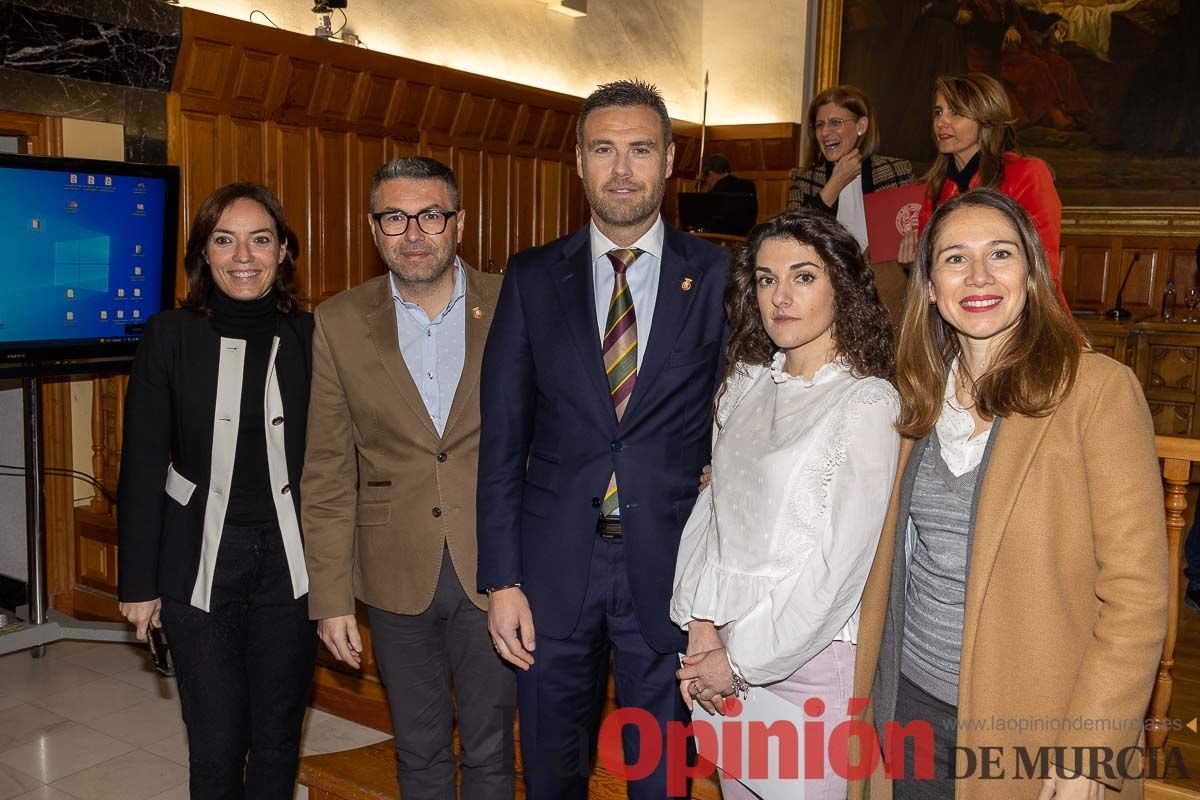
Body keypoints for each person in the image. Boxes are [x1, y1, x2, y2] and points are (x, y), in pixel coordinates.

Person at [852, 188, 1168, 800]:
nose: (978, 276)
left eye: (1000, 254)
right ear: (930, 285)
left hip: (1031, 720)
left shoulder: (1096, 392)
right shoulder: (914, 395)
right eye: (953, 258)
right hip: (909, 703)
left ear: (1032, 272)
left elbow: (1138, 595)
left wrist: (1092, 752)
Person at [476, 79, 729, 799]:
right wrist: (501, 580)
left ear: (671, 159)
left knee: (661, 781)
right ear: (579, 161)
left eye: (640, 149)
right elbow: (502, 440)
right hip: (551, 573)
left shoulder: (716, 276)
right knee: (552, 778)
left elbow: (739, 426)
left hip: (673, 572)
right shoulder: (529, 278)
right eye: (604, 149)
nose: (622, 168)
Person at [301, 156, 513, 799]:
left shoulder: (512, 305)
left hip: (498, 566)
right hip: (393, 570)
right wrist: (330, 595)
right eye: (395, 217)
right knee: (418, 751)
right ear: (373, 228)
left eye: (430, 215)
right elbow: (328, 471)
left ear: (459, 224)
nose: (413, 232)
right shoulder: (338, 322)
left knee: (492, 750)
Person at [671, 210, 900, 799]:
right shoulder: (746, 384)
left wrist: (740, 661)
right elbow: (712, 515)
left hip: (806, 663)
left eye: (803, 276)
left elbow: (838, 570)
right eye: (767, 279)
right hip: (718, 649)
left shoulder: (867, 404)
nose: (781, 297)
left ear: (841, 288)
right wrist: (700, 629)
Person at [117, 182, 317, 799]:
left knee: (279, 736)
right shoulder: (169, 335)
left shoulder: (315, 336)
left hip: (293, 562)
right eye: (224, 241)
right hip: (198, 560)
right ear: (204, 253)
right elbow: (143, 462)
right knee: (215, 738)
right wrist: (138, 584)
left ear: (283, 250)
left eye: (260, 240)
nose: (243, 257)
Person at [898, 73, 1066, 306]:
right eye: (938, 112)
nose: (941, 122)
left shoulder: (1026, 173)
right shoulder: (935, 187)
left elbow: (1043, 264)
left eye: (954, 112)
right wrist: (914, 266)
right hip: (956, 315)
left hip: (1021, 314)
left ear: (986, 119)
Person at [785, 84, 914, 254]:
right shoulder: (802, 178)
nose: (824, 132)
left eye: (835, 122)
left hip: (884, 277)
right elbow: (792, 239)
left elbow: (916, 240)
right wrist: (836, 183)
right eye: (819, 125)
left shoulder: (897, 171)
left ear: (861, 126)